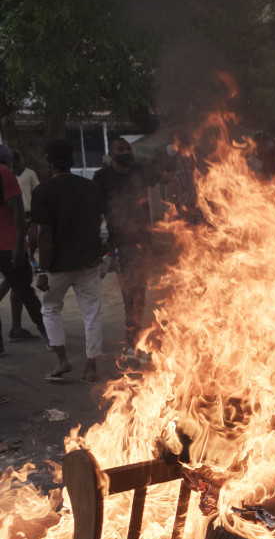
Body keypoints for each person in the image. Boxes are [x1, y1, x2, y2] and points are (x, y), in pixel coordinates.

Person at [31, 139, 106, 383]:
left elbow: (44, 232)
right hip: (88, 262)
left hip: (58, 264)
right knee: (91, 313)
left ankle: (61, 361)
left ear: (49, 161)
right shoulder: (90, 187)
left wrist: (42, 269)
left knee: (51, 308)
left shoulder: (42, 191)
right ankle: (91, 366)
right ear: (72, 161)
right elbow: (98, 222)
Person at [93, 137, 158, 358]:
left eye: (128, 148)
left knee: (140, 293)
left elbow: (161, 172)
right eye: (121, 149)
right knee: (129, 293)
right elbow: (97, 211)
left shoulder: (139, 171)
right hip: (121, 243)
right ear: (111, 155)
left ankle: (135, 340)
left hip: (143, 241)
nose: (126, 152)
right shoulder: (102, 177)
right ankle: (131, 343)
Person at [0, 146, 47, 351]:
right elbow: (17, 211)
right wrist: (19, 246)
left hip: (9, 243)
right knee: (25, 291)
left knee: (22, 289)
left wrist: (20, 245)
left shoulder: (6, 175)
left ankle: (47, 333)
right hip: (9, 244)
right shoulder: (5, 174)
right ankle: (50, 334)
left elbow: (19, 213)